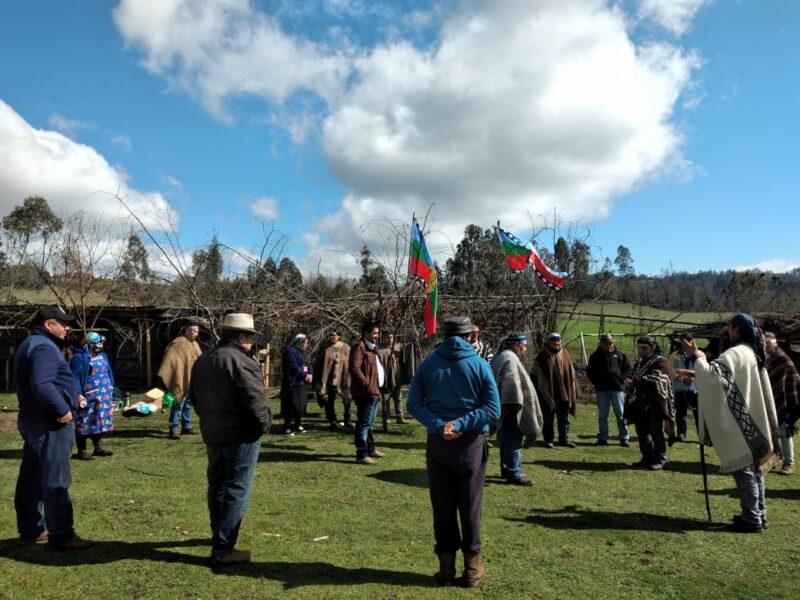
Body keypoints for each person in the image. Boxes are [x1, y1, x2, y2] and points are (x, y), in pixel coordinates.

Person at [407, 317, 500, 588]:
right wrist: (460, 424)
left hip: (438, 444)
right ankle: (472, 570)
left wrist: (441, 426)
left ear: (444, 336)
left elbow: (413, 404)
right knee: (471, 506)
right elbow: (493, 408)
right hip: (471, 444)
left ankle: (446, 569)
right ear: (470, 336)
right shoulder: (480, 365)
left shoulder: (428, 364)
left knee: (442, 506)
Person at [190, 313, 272, 565]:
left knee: (218, 486)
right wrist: (264, 425)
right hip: (241, 434)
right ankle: (224, 548)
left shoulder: (204, 359)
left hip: (213, 432)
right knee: (236, 488)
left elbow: (195, 397)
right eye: (251, 337)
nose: (252, 342)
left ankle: (220, 535)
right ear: (242, 336)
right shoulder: (242, 362)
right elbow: (255, 401)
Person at [685, 314, 779, 533]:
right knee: (755, 470)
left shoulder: (735, 353)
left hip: (740, 424)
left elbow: (713, 379)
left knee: (744, 469)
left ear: (736, 330)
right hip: (752, 419)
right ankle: (759, 513)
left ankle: (751, 518)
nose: (728, 331)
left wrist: (696, 357)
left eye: (730, 327)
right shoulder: (752, 352)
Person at [14, 305, 96, 550]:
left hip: (32, 420)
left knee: (31, 478)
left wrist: (73, 395)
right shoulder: (44, 347)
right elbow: (43, 384)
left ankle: (30, 529)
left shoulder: (30, 343)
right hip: (49, 423)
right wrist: (62, 410)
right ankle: (62, 535)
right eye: (63, 323)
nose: (68, 327)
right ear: (48, 324)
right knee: (56, 479)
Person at [492, 333, 542, 485]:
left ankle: (506, 470)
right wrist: (517, 407)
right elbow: (512, 388)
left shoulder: (503, 356)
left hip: (505, 406)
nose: (525, 349)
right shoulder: (509, 358)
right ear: (516, 345)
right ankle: (514, 473)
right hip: (512, 407)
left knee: (506, 439)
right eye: (524, 345)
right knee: (514, 440)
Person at [625, 336, 676, 471]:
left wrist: (635, 381)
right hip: (640, 403)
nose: (639, 350)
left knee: (656, 432)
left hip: (655, 403)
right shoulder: (640, 362)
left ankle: (660, 459)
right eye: (639, 348)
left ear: (649, 348)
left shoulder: (661, 361)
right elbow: (633, 374)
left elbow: (657, 379)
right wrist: (628, 379)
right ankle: (646, 458)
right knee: (642, 432)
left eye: (641, 348)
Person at [69, 332, 115, 460]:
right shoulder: (79, 358)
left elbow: (108, 372)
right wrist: (78, 394)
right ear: (89, 344)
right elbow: (75, 377)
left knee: (99, 420)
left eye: (102, 343)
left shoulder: (103, 356)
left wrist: (112, 387)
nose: (101, 346)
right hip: (88, 395)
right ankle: (82, 450)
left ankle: (98, 448)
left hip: (103, 395)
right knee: (84, 420)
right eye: (99, 343)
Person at [349, 321, 386, 465]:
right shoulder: (360, 347)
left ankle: (371, 449)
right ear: (366, 333)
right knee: (364, 423)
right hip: (366, 393)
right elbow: (354, 368)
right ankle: (361, 454)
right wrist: (366, 383)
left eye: (377, 333)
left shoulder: (373, 348)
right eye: (374, 333)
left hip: (375, 391)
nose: (377, 336)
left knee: (370, 422)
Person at [532, 332, 578, 448]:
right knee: (548, 418)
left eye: (558, 340)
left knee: (564, 419)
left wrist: (571, 390)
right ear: (549, 342)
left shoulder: (565, 354)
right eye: (553, 340)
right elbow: (535, 374)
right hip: (548, 393)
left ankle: (564, 439)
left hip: (564, 394)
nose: (556, 343)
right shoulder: (542, 356)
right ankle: (548, 440)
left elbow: (570, 373)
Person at [158, 323, 202, 440]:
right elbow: (170, 361)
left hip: (192, 379)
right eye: (195, 331)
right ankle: (173, 429)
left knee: (188, 404)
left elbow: (199, 359)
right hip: (180, 379)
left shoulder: (195, 344)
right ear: (187, 331)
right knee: (178, 404)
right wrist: (177, 375)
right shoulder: (178, 343)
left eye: (198, 332)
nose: (197, 334)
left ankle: (186, 426)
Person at [586, 333, 631, 447]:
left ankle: (624, 437)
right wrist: (596, 382)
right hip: (602, 389)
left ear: (612, 343)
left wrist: (623, 379)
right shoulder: (595, 356)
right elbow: (590, 371)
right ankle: (603, 437)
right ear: (601, 344)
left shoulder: (620, 354)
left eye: (610, 343)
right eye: (605, 343)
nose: (608, 345)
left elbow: (627, 369)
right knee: (603, 415)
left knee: (621, 414)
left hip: (618, 389)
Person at [764, 331, 799, 476]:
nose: (766, 346)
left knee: (784, 432)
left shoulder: (781, 358)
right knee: (771, 432)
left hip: (784, 400)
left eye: (768, 344)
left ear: (775, 343)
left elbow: (792, 377)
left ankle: (789, 463)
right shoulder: (768, 357)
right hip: (771, 399)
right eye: (764, 344)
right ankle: (773, 459)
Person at [314, 328, 352, 429]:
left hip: (344, 379)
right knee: (329, 400)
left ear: (339, 336)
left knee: (347, 399)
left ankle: (347, 419)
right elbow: (319, 364)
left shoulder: (346, 348)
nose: (331, 337)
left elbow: (351, 361)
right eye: (330, 335)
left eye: (333, 335)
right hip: (330, 379)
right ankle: (332, 420)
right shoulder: (325, 349)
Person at [668, 333, 699, 441]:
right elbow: (671, 371)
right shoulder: (674, 355)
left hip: (695, 388)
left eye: (689, 339)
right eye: (685, 340)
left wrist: (692, 379)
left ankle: (702, 434)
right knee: (681, 412)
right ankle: (681, 433)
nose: (687, 342)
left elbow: (703, 369)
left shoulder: (699, 354)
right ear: (681, 342)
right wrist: (682, 379)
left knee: (698, 413)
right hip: (680, 388)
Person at [280, 334, 313, 436]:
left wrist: (310, 374)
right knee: (291, 406)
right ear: (300, 342)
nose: (307, 345)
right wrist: (304, 375)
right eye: (306, 343)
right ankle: (287, 427)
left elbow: (309, 364)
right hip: (293, 383)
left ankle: (297, 425)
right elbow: (293, 366)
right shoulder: (290, 352)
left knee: (300, 406)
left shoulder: (305, 352)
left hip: (303, 384)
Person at [380, 332, 409, 429]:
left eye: (391, 337)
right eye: (388, 337)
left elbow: (408, 349)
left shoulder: (399, 346)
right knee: (386, 398)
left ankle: (400, 417)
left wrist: (414, 340)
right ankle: (387, 418)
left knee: (398, 398)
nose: (390, 339)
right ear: (384, 338)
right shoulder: (381, 348)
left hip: (397, 377)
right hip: (387, 378)